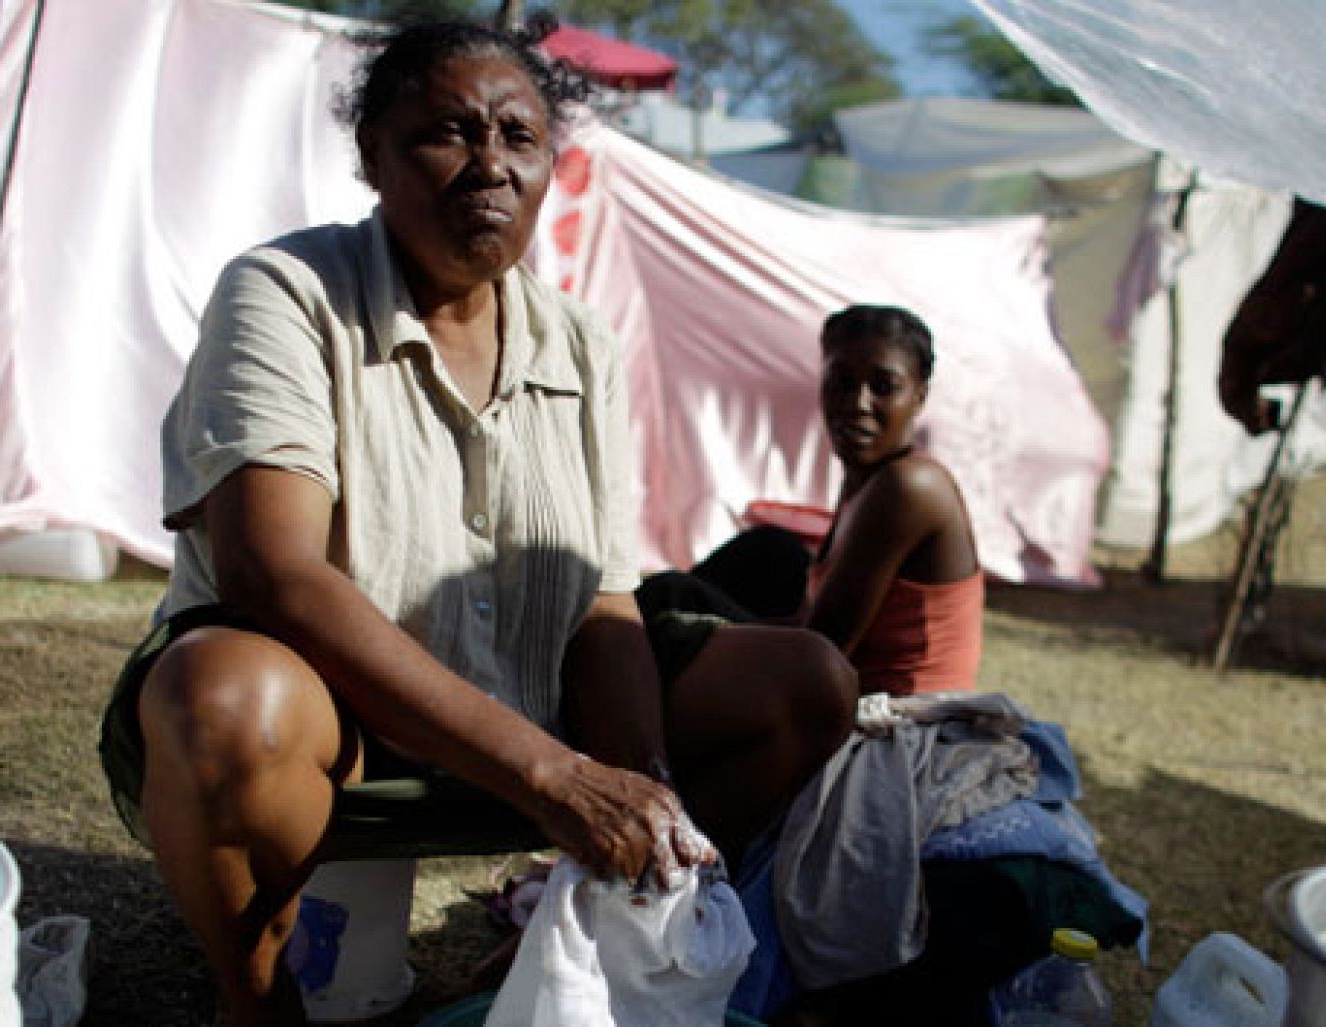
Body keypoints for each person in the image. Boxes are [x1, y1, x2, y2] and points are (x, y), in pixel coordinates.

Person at [96, 20, 855, 1026]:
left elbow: (602, 599)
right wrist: (553, 775)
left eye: (518, 136)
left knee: (804, 685)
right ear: (372, 155)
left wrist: (640, 791)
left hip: (529, 704)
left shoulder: (580, 343)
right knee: (230, 699)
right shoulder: (287, 294)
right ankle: (256, 998)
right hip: (344, 725)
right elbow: (272, 573)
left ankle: (547, 953)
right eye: (447, 132)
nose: (489, 165)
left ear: (549, 165)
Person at [641, 304, 984, 697]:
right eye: (841, 382)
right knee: (772, 551)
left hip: (897, 721)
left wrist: (690, 623)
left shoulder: (909, 485)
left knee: (671, 598)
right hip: (840, 679)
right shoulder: (865, 478)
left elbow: (822, 646)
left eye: (883, 387)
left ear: (919, 396)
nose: (858, 403)